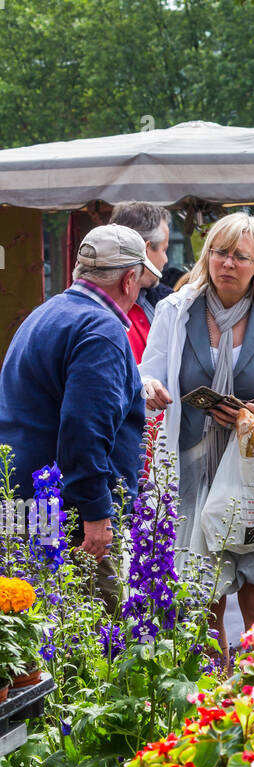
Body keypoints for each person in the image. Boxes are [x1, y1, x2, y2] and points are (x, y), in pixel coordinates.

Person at [140, 212, 254, 657]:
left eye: (240, 256)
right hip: (192, 470)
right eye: (220, 252)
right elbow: (148, 375)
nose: (227, 264)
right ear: (207, 256)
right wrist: (152, 389)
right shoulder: (175, 310)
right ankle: (213, 699)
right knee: (201, 596)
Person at [0, 224, 159, 565]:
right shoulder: (100, 329)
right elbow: (84, 430)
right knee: (92, 614)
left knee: (31, 611)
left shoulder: (46, 314)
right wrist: (97, 511)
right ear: (129, 279)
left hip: (24, 501)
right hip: (65, 515)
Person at [108, 202, 173, 363]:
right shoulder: (109, 310)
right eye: (164, 250)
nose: (166, 260)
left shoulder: (166, 300)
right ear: (144, 249)